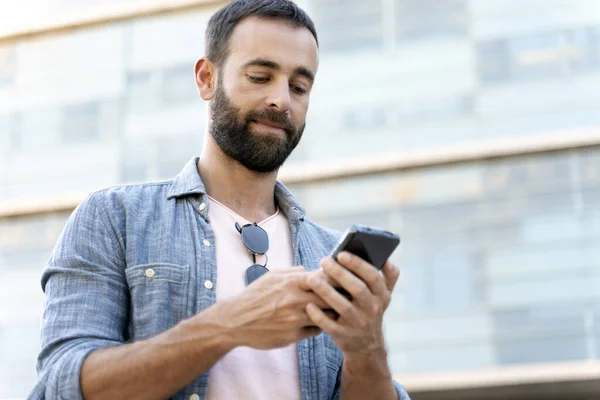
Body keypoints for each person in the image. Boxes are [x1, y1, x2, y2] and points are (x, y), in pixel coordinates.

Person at [30, 1, 410, 399]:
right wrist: (230, 324)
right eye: (261, 76)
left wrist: (367, 347)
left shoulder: (327, 256)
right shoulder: (115, 217)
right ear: (207, 78)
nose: (281, 100)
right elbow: (61, 385)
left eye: (299, 87)